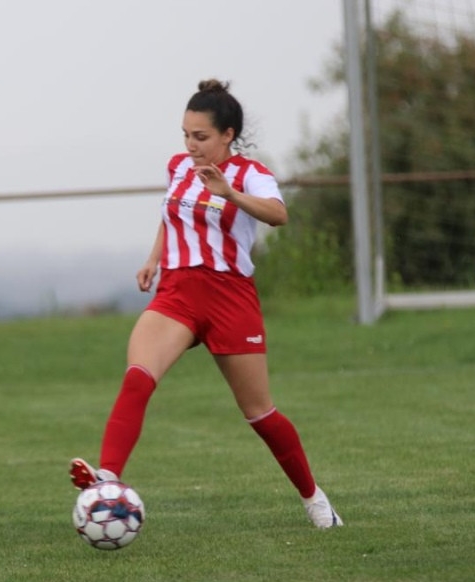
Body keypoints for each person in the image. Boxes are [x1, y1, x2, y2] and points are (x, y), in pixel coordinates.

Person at [69, 79, 342, 529]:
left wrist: (228, 193)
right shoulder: (178, 166)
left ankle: (314, 499)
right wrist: (154, 259)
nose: (190, 145)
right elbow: (171, 215)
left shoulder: (249, 174)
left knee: (260, 413)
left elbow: (279, 214)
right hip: (177, 293)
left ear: (227, 135)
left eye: (200, 136)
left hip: (229, 298)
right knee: (138, 377)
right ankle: (107, 480)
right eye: (185, 135)